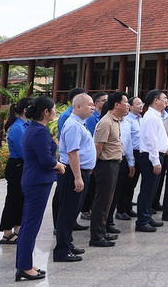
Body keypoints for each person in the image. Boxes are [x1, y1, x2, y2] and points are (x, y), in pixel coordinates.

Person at [16, 97, 65, 281]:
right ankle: (24, 266)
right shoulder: (39, 132)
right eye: (53, 109)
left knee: (30, 223)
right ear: (46, 112)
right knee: (31, 224)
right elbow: (45, 159)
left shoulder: (35, 129)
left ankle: (25, 263)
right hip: (37, 181)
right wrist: (58, 165)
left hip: (35, 180)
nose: (55, 112)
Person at [53, 93, 96, 262]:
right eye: (89, 105)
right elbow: (72, 153)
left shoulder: (80, 124)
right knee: (67, 212)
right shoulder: (73, 125)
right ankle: (62, 250)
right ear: (78, 106)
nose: (92, 107)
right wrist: (78, 177)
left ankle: (68, 243)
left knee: (73, 211)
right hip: (72, 172)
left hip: (80, 171)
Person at [89, 92, 129, 248]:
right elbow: (98, 147)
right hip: (105, 165)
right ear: (117, 105)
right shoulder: (106, 122)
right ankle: (96, 236)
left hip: (114, 164)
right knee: (101, 201)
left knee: (108, 201)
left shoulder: (116, 121)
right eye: (125, 102)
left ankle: (102, 230)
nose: (128, 105)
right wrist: (93, 167)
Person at [0, 96, 32, 245]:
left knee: (21, 198)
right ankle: (7, 232)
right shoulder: (17, 128)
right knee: (13, 198)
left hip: (23, 165)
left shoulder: (26, 125)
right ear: (26, 110)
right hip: (17, 165)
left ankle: (18, 228)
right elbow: (23, 151)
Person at [135, 90, 168, 232]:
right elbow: (151, 141)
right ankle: (142, 220)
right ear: (156, 100)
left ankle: (147, 216)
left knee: (152, 189)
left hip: (155, 156)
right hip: (150, 157)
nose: (166, 100)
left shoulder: (156, 116)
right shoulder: (150, 117)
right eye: (164, 98)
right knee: (147, 190)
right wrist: (155, 160)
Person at [79, 92, 109, 222]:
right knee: (90, 186)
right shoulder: (92, 118)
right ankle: (86, 210)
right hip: (91, 157)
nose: (106, 102)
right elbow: (93, 138)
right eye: (103, 100)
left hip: (95, 157)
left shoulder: (101, 117)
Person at [114, 97, 143, 220]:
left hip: (137, 153)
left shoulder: (141, 119)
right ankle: (120, 209)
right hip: (128, 153)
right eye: (138, 103)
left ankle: (128, 207)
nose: (141, 105)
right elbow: (126, 140)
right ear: (131, 106)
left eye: (142, 103)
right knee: (125, 183)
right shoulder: (126, 120)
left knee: (132, 183)